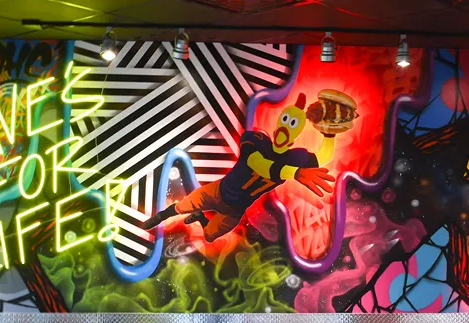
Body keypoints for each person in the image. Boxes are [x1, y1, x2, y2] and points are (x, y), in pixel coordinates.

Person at [144, 93, 341, 241]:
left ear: (296, 134)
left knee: (209, 236)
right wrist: (295, 172)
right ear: (277, 125)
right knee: (181, 207)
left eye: (293, 125)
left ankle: (200, 218)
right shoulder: (256, 139)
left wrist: (329, 134)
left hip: (235, 210)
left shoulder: (294, 157)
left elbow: (324, 156)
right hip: (218, 191)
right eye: (285, 121)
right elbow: (260, 165)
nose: (286, 128)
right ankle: (159, 217)